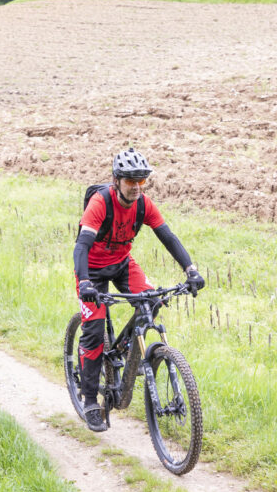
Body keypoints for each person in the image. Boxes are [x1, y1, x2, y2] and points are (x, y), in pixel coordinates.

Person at [73, 147, 205, 432]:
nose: (136, 187)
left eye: (141, 181)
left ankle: (125, 351)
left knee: (152, 302)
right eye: (130, 181)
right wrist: (84, 282)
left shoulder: (143, 204)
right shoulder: (100, 203)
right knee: (94, 331)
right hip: (92, 271)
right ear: (116, 180)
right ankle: (90, 400)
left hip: (122, 264)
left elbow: (168, 237)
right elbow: (82, 246)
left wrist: (190, 269)